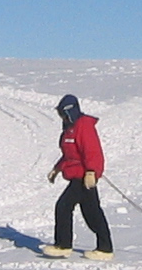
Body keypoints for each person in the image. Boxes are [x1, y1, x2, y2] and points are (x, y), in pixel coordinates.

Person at [42, 92, 113, 259]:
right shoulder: (70, 129)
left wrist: (91, 172)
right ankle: (105, 248)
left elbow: (92, 151)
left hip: (83, 177)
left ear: (70, 112)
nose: (61, 118)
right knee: (92, 213)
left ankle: (63, 245)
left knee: (63, 206)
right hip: (76, 175)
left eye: (62, 114)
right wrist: (57, 168)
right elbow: (70, 154)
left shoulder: (84, 127)